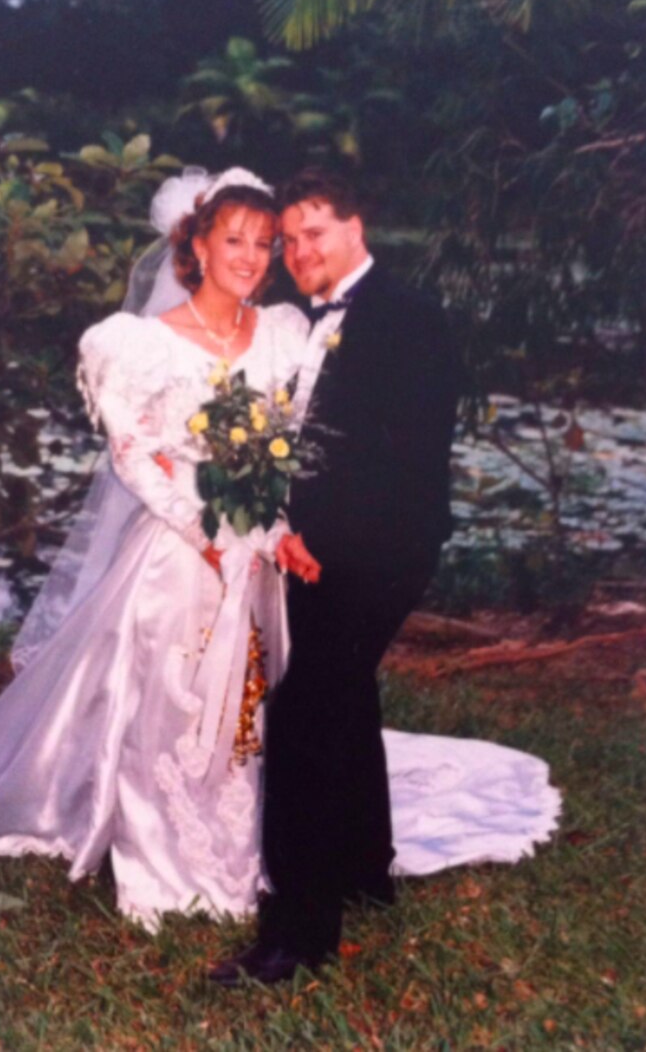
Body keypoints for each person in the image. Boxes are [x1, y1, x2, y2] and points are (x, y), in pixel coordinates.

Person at [0, 167, 314, 928]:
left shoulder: (281, 332)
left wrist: (268, 529)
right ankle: (161, 846)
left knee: (250, 696)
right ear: (199, 246)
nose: (250, 257)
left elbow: (289, 444)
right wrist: (203, 529)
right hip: (181, 547)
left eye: (265, 244)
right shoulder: (141, 343)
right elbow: (134, 453)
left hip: (259, 551)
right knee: (165, 696)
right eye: (234, 240)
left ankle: (250, 829)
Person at [211, 167, 461, 985]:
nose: (296, 251)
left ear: (357, 228)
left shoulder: (412, 319)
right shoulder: (306, 320)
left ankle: (297, 934)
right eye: (287, 240)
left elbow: (408, 466)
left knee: (305, 713)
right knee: (344, 694)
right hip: (318, 549)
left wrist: (324, 539)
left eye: (312, 233)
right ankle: (364, 869)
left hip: (381, 552)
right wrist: (291, 529)